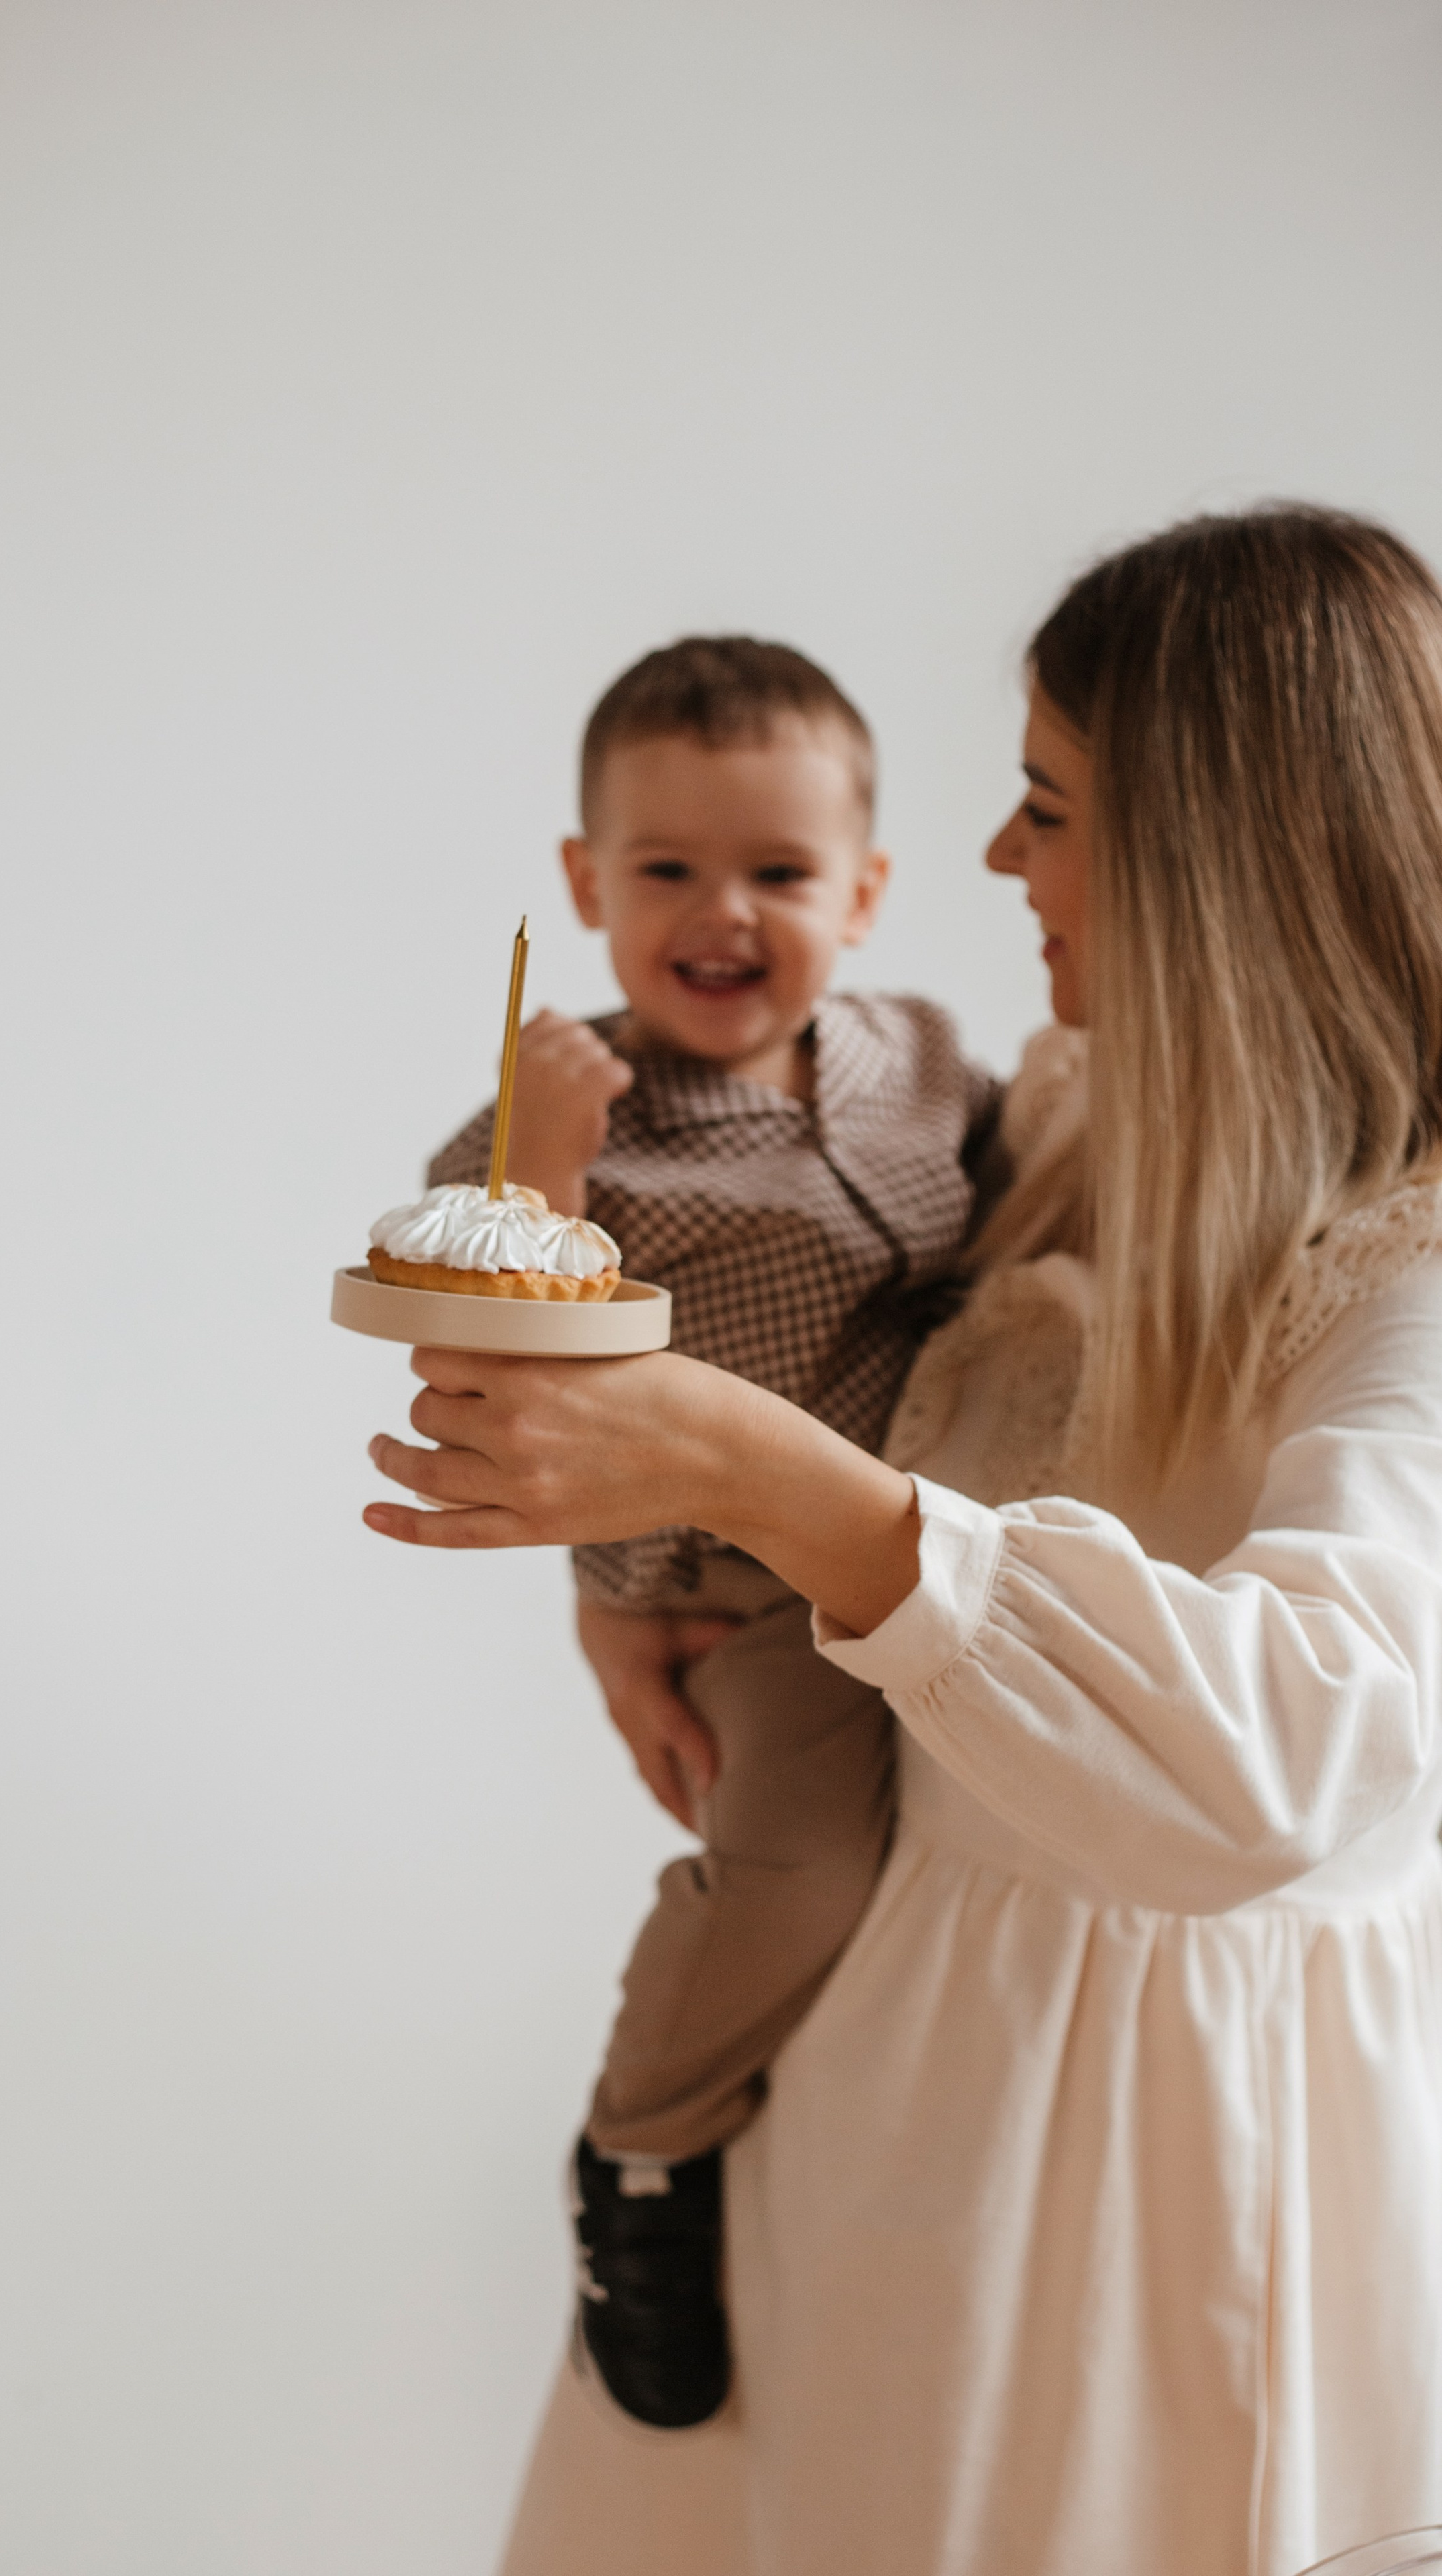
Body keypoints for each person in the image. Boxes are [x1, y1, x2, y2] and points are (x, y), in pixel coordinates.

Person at [365, 508, 1442, 2575]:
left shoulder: (1404, 1275)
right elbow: (860, 1394)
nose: (997, 865)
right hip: (873, 2100)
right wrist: (647, 1584)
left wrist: (741, 1469)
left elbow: (1297, 1758)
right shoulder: (1068, 1122)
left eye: (1049, 807)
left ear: (1219, 855)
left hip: (1143, 2206)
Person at [425, 635, 1000, 2426]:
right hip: (740, 1582)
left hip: (938, 1525)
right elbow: (500, 1331)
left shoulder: (915, 1055)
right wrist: (545, 1172)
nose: (722, 914)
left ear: (868, 891)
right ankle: (643, 2147)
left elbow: (1020, 1182)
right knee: (800, 1865)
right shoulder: (558, 1112)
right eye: (666, 870)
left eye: (779, 873)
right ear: (586, 886)